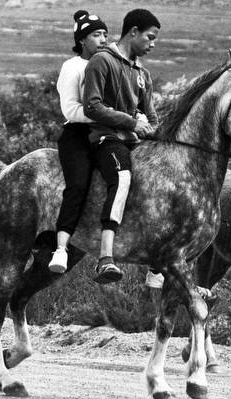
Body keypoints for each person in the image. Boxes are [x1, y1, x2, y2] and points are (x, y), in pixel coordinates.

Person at [81, 8, 161, 283]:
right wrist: (131, 122)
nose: (152, 44)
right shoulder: (102, 61)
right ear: (133, 32)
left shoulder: (143, 74)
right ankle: (105, 258)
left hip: (133, 140)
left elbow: (150, 117)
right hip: (105, 138)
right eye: (150, 38)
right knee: (122, 176)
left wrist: (152, 128)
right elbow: (92, 106)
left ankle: (158, 263)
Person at [49, 10, 109, 274]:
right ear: (82, 40)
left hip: (108, 133)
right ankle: (61, 247)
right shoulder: (71, 67)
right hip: (78, 134)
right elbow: (70, 110)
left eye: (106, 34)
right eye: (97, 35)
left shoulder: (109, 64)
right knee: (78, 184)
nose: (103, 39)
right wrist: (104, 115)